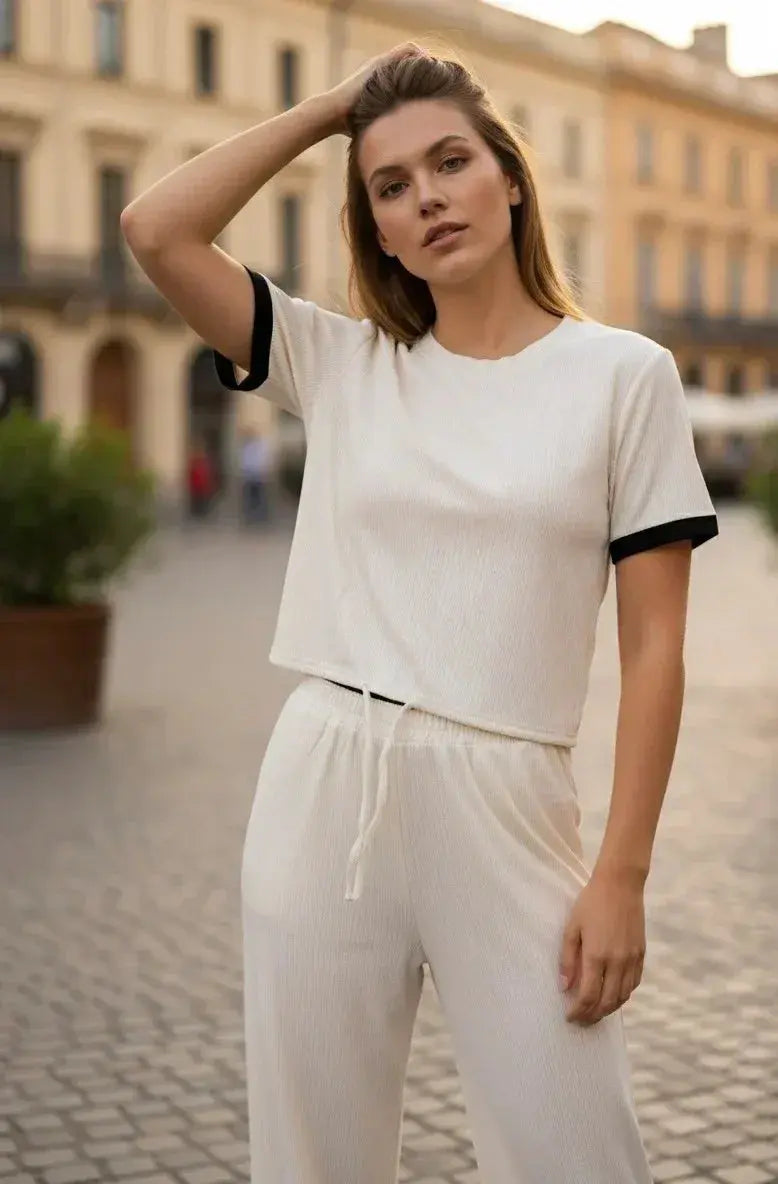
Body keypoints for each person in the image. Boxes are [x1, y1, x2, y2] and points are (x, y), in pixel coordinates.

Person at [121, 41, 719, 1184]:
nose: (427, 195)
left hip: (510, 799)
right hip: (325, 784)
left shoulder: (622, 375)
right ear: (378, 231)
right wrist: (329, 111)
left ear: (509, 177)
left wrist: (623, 874)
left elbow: (655, 649)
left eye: (451, 161)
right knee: (314, 1157)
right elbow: (156, 231)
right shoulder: (340, 364)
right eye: (390, 186)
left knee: (575, 1150)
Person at [239, 428, 272, 524]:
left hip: (257, 477)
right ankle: (250, 517)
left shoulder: (257, 447)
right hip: (250, 477)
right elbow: (245, 462)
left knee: (258, 499)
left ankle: (260, 517)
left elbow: (260, 461)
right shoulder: (247, 447)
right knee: (250, 499)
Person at [186, 438, 215, 519]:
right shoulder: (195, 461)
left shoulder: (205, 462)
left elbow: (208, 474)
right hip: (196, 486)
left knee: (204, 500)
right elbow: (192, 473)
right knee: (197, 501)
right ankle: (197, 514)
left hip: (203, 486)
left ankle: (203, 514)